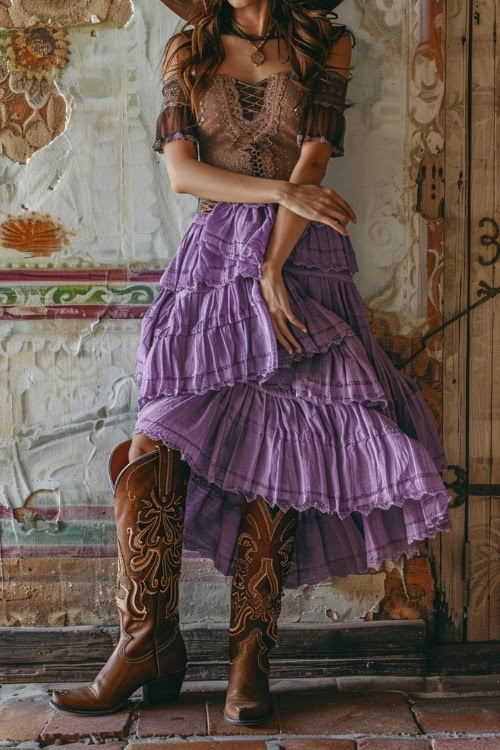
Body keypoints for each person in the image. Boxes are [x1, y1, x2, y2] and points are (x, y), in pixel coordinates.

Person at [50, 0, 453, 726]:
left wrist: (273, 263)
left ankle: (249, 660)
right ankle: (145, 640)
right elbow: (182, 174)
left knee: (286, 446)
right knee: (157, 437)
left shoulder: (326, 45)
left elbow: (315, 159)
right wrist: (274, 194)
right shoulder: (187, 46)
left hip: (303, 257)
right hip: (210, 261)